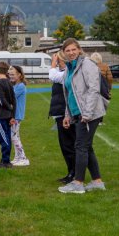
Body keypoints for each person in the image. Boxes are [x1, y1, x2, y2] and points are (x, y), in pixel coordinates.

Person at [56, 38, 108, 194]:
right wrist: (67, 115)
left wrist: (87, 114)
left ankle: (78, 183)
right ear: (64, 53)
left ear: (79, 49)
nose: (71, 53)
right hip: (77, 113)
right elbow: (70, 94)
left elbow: (94, 90)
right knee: (86, 147)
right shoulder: (68, 69)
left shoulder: (87, 65)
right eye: (68, 50)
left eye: (73, 49)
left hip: (89, 114)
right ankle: (97, 182)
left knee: (80, 146)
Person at [49, 51, 76, 183]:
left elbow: (53, 76)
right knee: (65, 146)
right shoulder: (63, 72)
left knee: (68, 145)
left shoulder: (65, 74)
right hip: (60, 113)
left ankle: (74, 173)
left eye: (60, 60)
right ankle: (71, 172)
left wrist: (53, 64)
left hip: (66, 114)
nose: (58, 62)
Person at [0, 61, 16, 168]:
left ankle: (6, 161)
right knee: (6, 136)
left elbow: (2, 100)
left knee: (3, 138)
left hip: (2, 115)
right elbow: (13, 99)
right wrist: (12, 115)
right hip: (8, 115)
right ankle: (5, 158)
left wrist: (9, 108)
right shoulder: (9, 82)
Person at [9, 65, 29, 166]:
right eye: (9, 74)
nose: (11, 76)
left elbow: (10, 97)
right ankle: (17, 157)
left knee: (13, 137)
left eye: (13, 74)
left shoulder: (20, 86)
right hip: (15, 115)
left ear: (19, 75)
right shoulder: (15, 86)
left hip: (17, 115)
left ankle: (23, 158)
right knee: (15, 136)